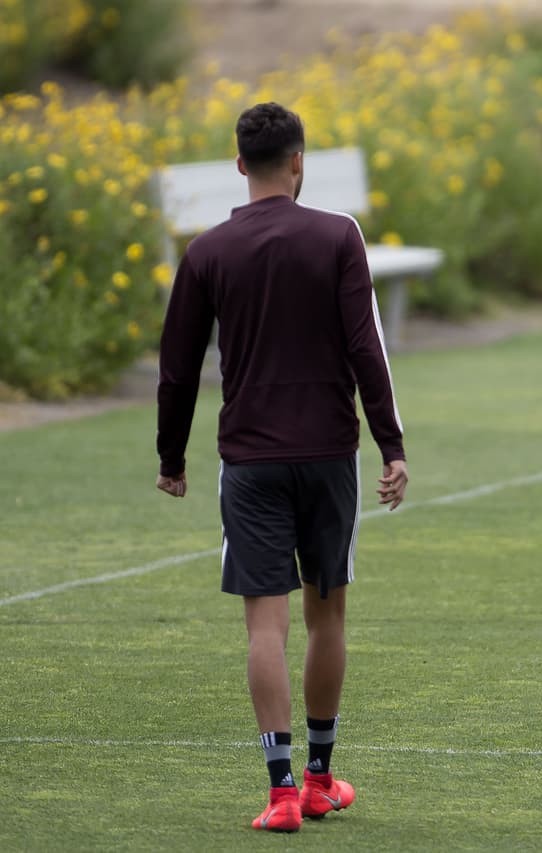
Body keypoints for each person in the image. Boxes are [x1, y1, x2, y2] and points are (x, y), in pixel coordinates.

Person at [155, 102, 410, 830]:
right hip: (330, 456)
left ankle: (279, 791)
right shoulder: (337, 236)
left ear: (240, 165)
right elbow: (368, 348)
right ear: (299, 161)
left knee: (264, 628)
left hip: (252, 462)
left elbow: (176, 370)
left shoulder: (207, 252)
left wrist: (171, 457)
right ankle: (322, 778)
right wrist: (391, 445)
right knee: (327, 615)